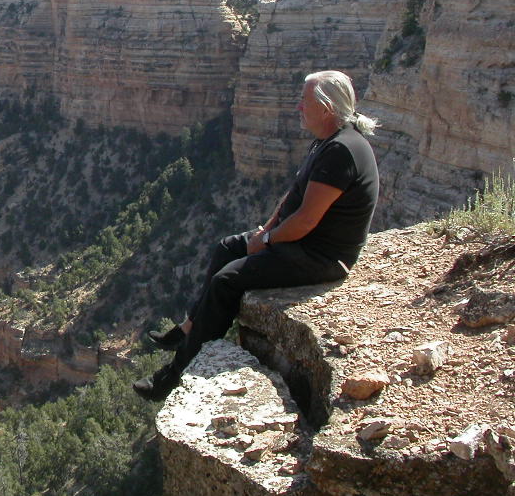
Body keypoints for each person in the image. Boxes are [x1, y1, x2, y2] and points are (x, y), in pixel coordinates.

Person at [133, 70, 380, 402]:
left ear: (325, 108)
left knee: (226, 281)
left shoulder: (341, 151)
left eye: (304, 101)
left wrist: (265, 242)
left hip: (322, 258)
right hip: (304, 243)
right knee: (227, 248)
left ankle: (173, 375)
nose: (298, 107)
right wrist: (265, 230)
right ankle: (189, 326)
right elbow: (293, 198)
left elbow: (306, 220)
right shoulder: (327, 141)